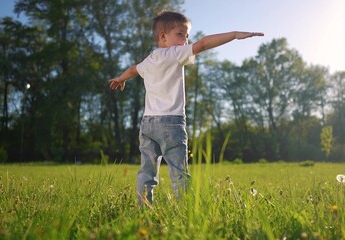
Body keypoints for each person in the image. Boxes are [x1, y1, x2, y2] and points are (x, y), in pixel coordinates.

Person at [109, 10, 264, 206]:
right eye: (180, 34)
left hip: (147, 124)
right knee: (178, 170)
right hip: (170, 124)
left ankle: (143, 209)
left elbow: (133, 70)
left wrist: (120, 79)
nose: (185, 40)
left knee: (146, 170)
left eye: (187, 35)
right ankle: (184, 208)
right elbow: (204, 44)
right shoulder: (174, 53)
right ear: (163, 37)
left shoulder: (150, 59)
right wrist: (233, 35)